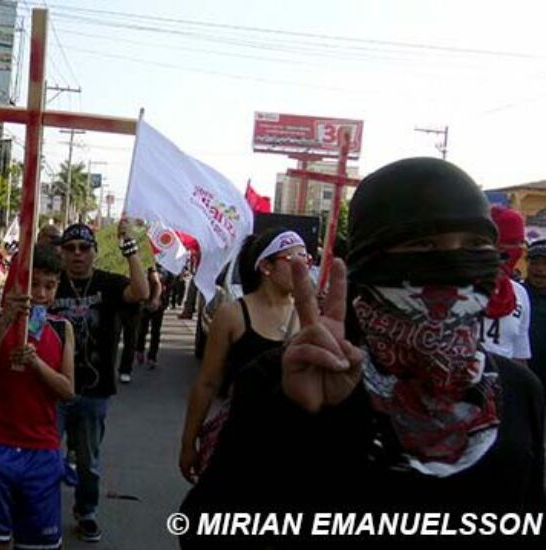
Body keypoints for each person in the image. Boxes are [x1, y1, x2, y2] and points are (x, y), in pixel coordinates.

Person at [180, 158, 545, 548]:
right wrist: (295, 420)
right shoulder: (282, 379)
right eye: (423, 243)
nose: (453, 264)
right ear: (370, 261)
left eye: (476, 244)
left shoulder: (517, 390)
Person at [178, 228, 304, 483]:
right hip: (239, 437)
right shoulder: (232, 315)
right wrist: (188, 443)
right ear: (265, 267)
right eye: (294, 260)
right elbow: (207, 382)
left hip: (292, 442)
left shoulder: (308, 314)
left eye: (307, 259)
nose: (303, 268)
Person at [49, 221, 149, 542]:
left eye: (84, 248)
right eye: (70, 248)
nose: (77, 254)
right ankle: (43, 511)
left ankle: (86, 511)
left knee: (88, 461)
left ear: (94, 252)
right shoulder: (51, 284)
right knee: (46, 454)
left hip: (94, 390)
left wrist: (130, 247)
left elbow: (141, 292)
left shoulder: (107, 283)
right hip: (52, 387)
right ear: (61, 253)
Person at [0, 243, 75, 550]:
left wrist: (36, 363)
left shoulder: (61, 327)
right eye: (35, 284)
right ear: (20, 281)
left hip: (42, 446)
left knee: (39, 543)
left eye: (50, 285)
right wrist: (5, 323)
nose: (41, 293)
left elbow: (67, 390)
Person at [480, 205, 532, 363]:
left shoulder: (520, 294)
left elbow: (520, 355)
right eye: (510, 242)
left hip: (505, 383)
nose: (517, 251)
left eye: (519, 243)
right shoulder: (455, 289)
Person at [136, 264, 168, 371]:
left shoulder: (165, 268)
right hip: (146, 301)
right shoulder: (148, 264)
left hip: (158, 303)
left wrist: (156, 299)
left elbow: (159, 284)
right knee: (142, 328)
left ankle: (152, 356)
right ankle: (140, 350)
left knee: (155, 330)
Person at [526, 240, 546, 395]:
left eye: (545, 264)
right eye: (535, 263)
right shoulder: (515, 295)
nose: (540, 269)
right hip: (523, 375)